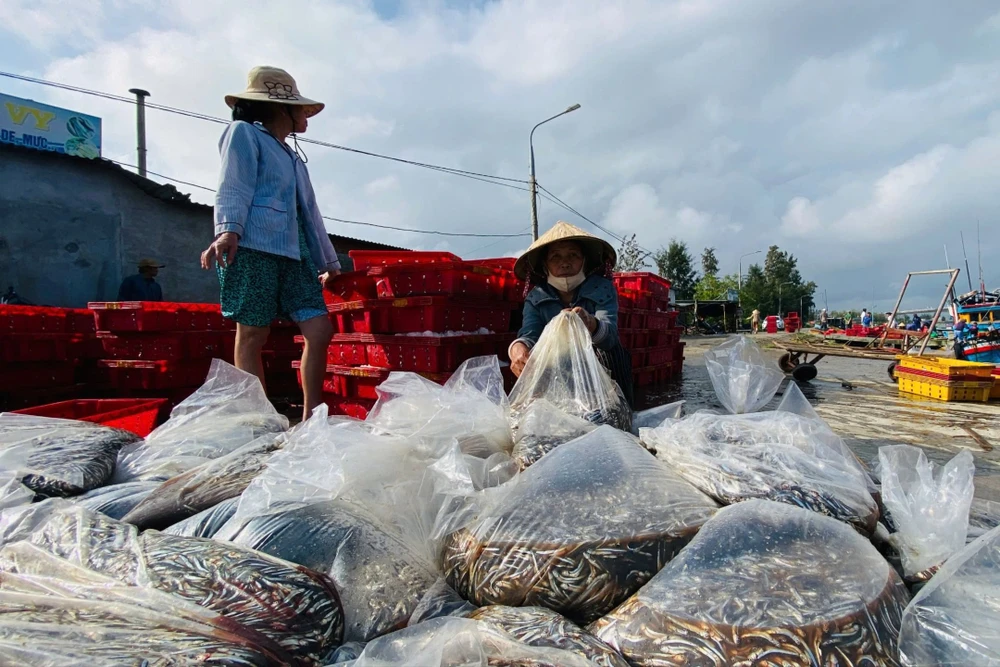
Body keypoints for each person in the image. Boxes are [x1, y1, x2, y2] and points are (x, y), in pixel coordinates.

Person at [201, 66, 341, 420]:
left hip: (296, 255)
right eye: (299, 108)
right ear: (282, 109)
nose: (306, 116)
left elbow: (310, 213)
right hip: (255, 247)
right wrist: (228, 230)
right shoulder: (243, 134)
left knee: (319, 329)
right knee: (252, 333)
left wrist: (329, 262)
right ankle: (257, 418)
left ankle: (311, 416)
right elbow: (233, 182)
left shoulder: (294, 159)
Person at [508, 221, 633, 407]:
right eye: (555, 257)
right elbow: (529, 333)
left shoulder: (602, 289)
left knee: (610, 351)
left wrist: (590, 323)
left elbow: (610, 336)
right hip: (558, 372)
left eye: (573, 255)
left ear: (584, 261)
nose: (564, 263)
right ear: (545, 265)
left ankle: (617, 409)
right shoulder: (536, 298)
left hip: (601, 373)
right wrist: (517, 348)